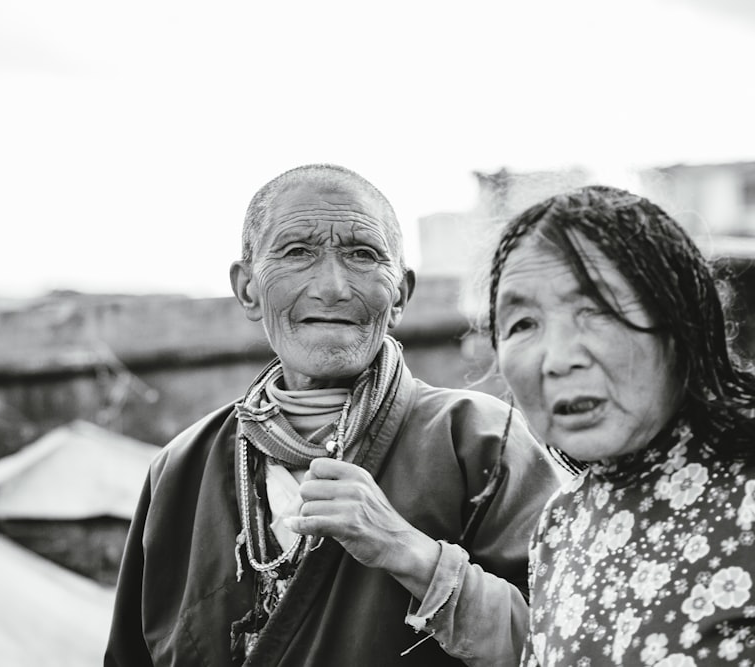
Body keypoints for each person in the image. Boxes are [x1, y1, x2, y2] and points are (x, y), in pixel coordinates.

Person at [105, 164, 562, 666]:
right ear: (247, 289)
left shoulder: (478, 439)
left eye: (363, 255)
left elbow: (568, 643)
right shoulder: (181, 468)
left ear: (401, 294)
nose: (333, 287)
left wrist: (409, 551)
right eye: (297, 252)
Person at [488, 185, 755, 666]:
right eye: (523, 323)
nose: (558, 359)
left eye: (598, 309)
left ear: (682, 323)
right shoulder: (560, 521)